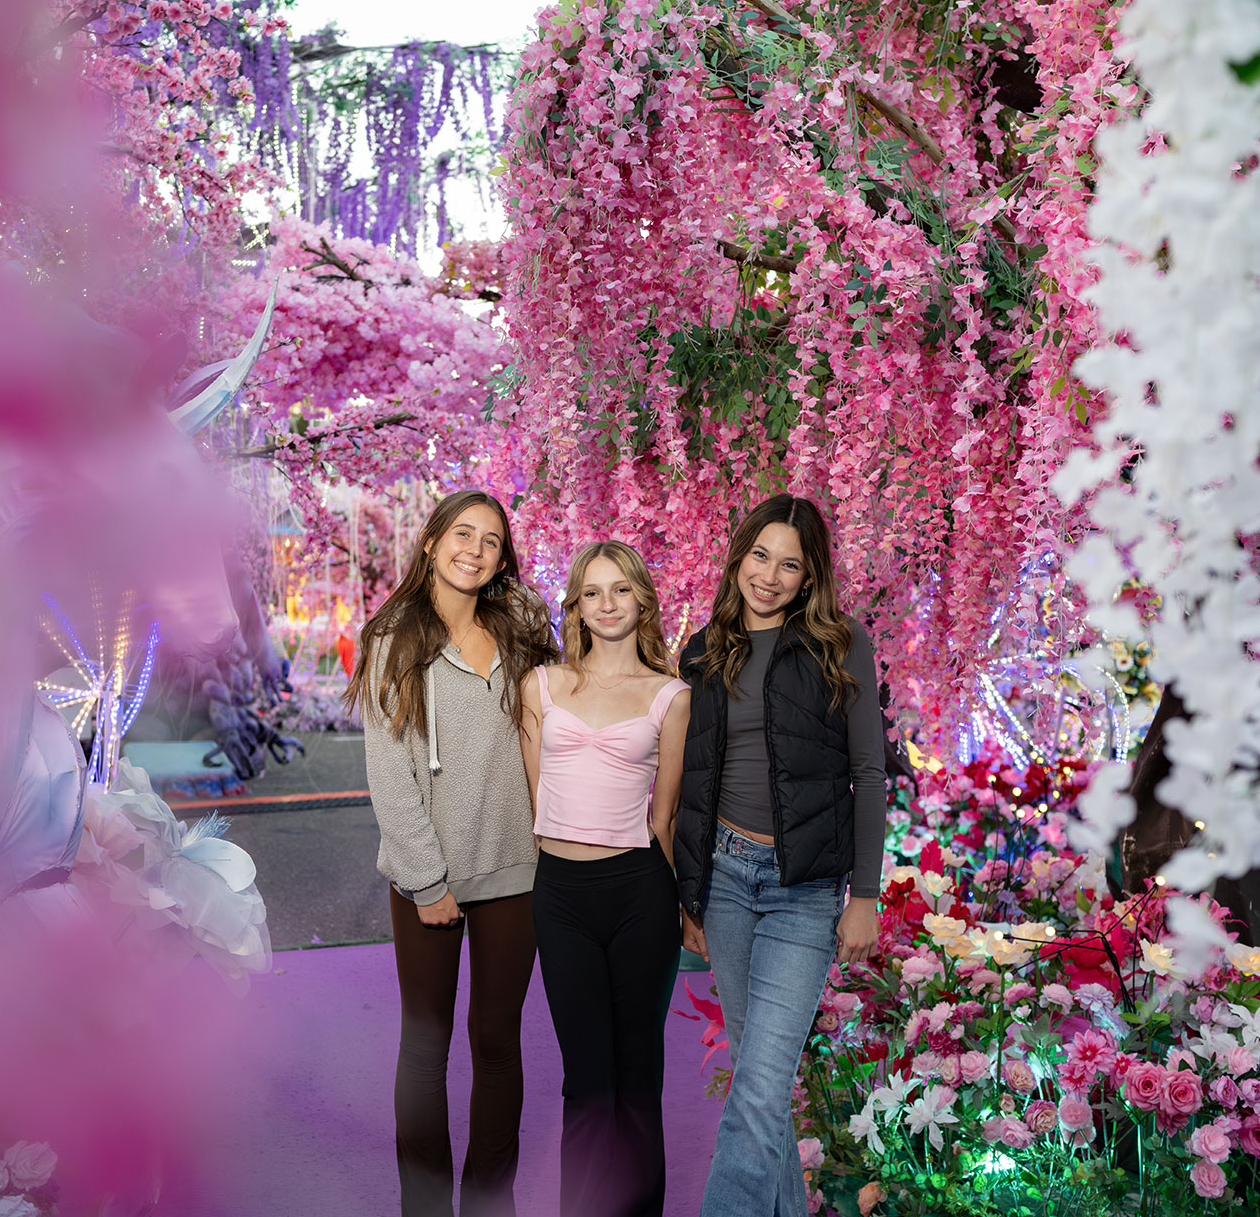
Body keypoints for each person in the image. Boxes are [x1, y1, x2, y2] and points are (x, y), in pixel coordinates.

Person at [343, 489, 560, 1217]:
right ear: (431, 542)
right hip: (426, 878)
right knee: (426, 1047)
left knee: (499, 1041)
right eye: (462, 533)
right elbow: (390, 777)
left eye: (491, 540)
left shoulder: (522, 631)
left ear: (503, 557)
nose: (475, 548)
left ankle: (490, 1206)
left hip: (515, 871)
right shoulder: (393, 639)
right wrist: (427, 881)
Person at [672, 495, 888, 1217]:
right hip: (726, 881)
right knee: (761, 1092)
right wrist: (690, 894)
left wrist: (866, 895)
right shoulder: (703, 650)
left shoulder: (841, 642)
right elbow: (692, 781)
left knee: (760, 1089)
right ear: (739, 557)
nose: (769, 575)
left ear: (808, 578)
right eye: (760, 555)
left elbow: (870, 771)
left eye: (789, 565)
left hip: (805, 889)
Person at [518, 541, 691, 1217]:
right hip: (560, 897)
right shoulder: (542, 686)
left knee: (637, 1078)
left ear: (642, 600)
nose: (608, 603)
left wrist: (688, 913)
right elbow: (540, 804)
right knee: (586, 1083)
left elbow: (666, 816)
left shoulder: (670, 696)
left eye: (621, 589)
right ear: (577, 607)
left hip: (640, 895)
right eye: (593, 592)